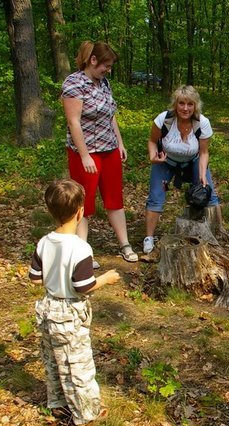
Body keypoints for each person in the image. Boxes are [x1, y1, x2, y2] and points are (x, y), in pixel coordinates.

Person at [29, 179, 121, 426]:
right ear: (80, 212)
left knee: (53, 359)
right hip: (69, 311)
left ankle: (57, 403)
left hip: (47, 308)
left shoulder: (44, 242)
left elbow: (35, 279)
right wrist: (106, 278)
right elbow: (84, 286)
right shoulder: (80, 248)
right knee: (78, 363)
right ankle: (87, 413)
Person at [61, 40, 138, 267]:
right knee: (84, 202)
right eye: (106, 65)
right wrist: (84, 156)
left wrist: (120, 143)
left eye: (110, 66)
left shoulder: (104, 83)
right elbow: (73, 122)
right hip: (85, 152)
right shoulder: (74, 84)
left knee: (115, 198)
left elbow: (110, 115)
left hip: (109, 150)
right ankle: (83, 253)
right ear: (93, 60)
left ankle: (124, 244)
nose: (108, 70)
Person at [143, 85, 221, 254]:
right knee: (156, 197)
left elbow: (204, 152)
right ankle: (148, 238)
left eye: (190, 104)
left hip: (193, 160)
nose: (185, 108)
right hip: (165, 161)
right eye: (182, 103)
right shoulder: (164, 120)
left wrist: (202, 175)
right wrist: (152, 156)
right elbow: (151, 141)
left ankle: (218, 234)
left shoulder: (202, 123)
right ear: (175, 104)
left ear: (196, 106)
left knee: (210, 194)